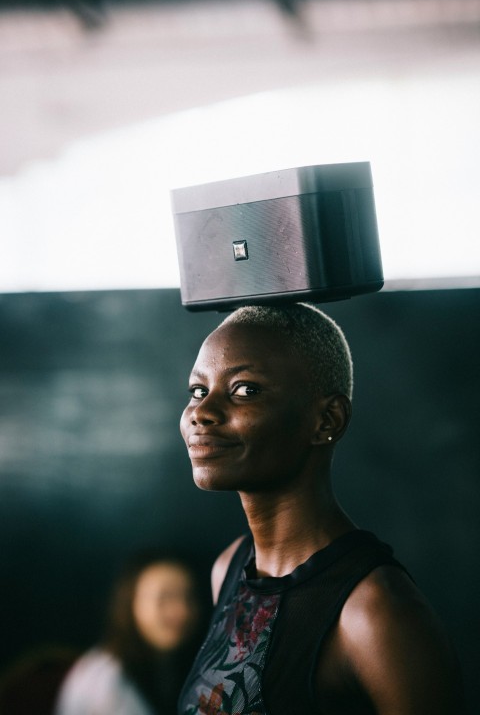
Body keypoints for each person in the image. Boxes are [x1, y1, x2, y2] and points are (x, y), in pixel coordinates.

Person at [177, 302, 467, 715]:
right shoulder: (229, 569)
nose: (201, 413)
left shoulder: (374, 612)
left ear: (327, 420)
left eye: (245, 390)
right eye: (198, 391)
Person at [55, 550, 202, 715]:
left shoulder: (168, 666)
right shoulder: (108, 680)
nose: (182, 611)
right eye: (165, 597)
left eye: (189, 597)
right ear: (130, 602)